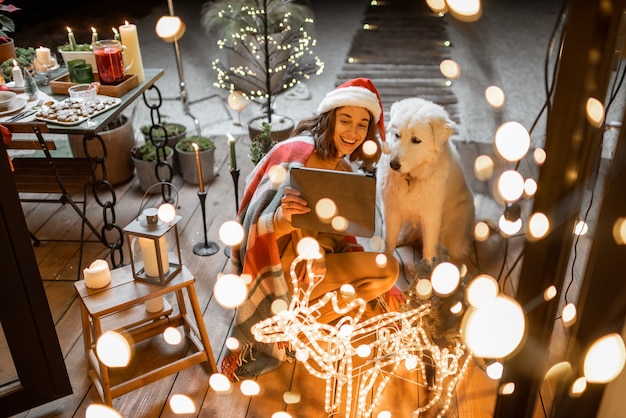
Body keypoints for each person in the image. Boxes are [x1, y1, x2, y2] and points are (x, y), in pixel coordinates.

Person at [222, 78, 401, 380]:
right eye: (345, 121)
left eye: (362, 125)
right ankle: (294, 327)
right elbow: (260, 224)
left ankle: (302, 324)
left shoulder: (339, 164)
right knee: (387, 271)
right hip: (284, 271)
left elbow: (340, 225)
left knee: (385, 272)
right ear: (330, 117)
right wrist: (285, 222)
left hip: (315, 264)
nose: (353, 133)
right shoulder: (299, 155)